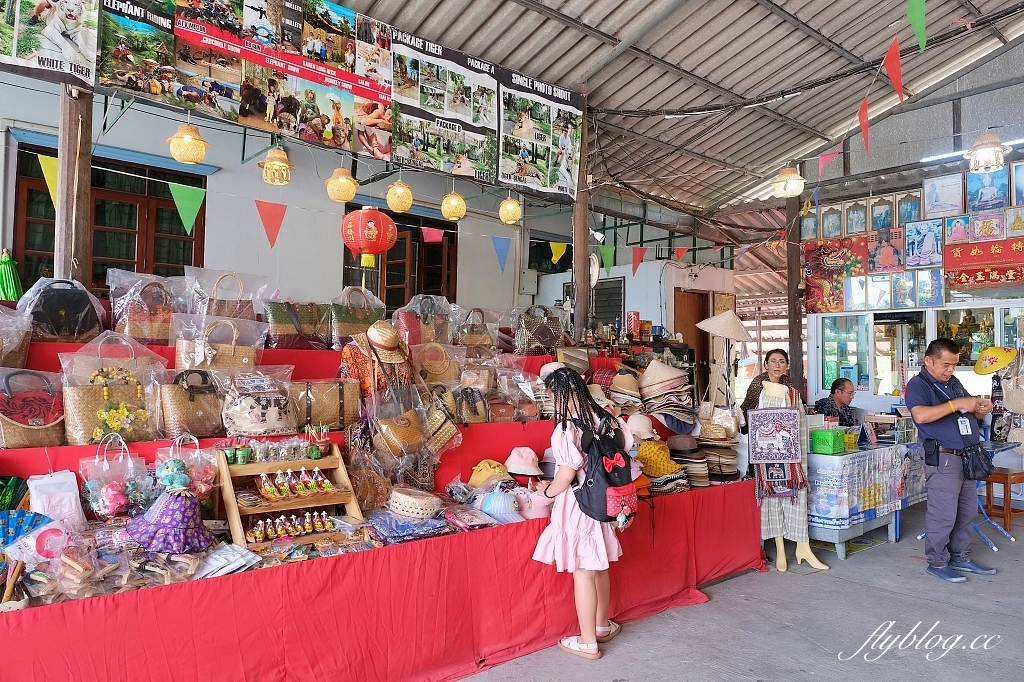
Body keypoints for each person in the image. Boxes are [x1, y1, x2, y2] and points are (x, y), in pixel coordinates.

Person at [533, 368, 633, 660]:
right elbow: (626, 448)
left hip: (580, 502)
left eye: (552, 396)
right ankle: (601, 626)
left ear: (560, 395)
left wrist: (546, 492)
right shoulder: (605, 416)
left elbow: (565, 475)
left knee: (583, 572)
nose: (552, 402)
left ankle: (588, 642)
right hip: (606, 500)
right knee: (599, 563)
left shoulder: (567, 428)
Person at [905, 338, 995, 583]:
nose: (950, 370)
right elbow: (921, 415)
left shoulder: (953, 382)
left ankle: (961, 557)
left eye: (954, 365)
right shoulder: (918, 385)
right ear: (929, 361)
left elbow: (969, 410)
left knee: (966, 512)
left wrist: (979, 408)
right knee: (942, 514)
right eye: (946, 365)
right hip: (943, 458)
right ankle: (937, 562)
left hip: (966, 456)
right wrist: (956, 404)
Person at [740, 349, 791, 429]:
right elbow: (754, 408)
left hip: (779, 426)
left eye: (781, 362)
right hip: (752, 424)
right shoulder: (759, 382)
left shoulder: (788, 382)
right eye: (773, 361)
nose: (777, 365)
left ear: (787, 366)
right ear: (766, 365)